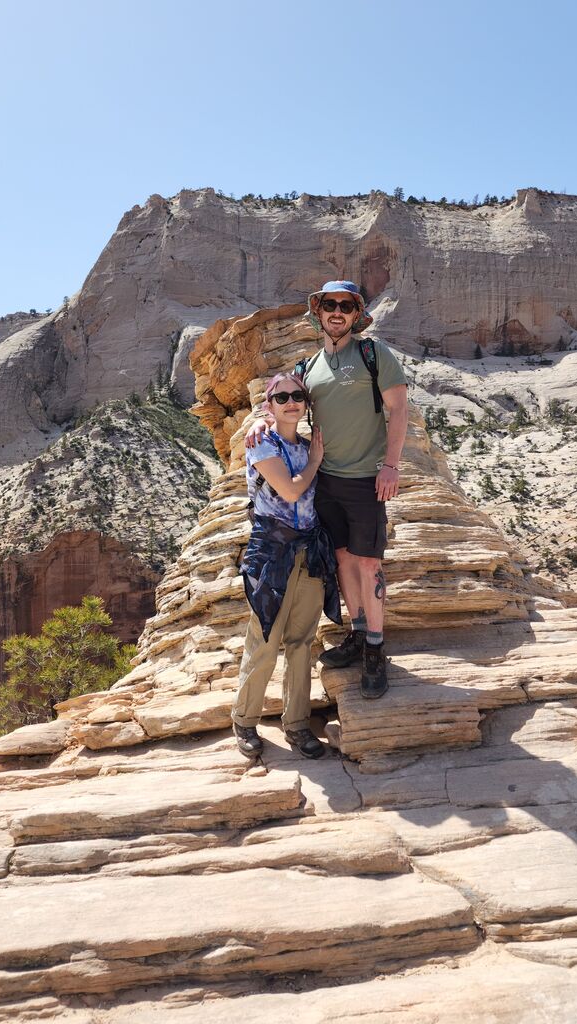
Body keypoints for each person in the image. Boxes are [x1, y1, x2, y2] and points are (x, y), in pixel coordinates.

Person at [246, 281, 408, 699]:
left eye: (346, 306)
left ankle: (375, 648)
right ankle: (357, 634)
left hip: (366, 479)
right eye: (330, 305)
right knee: (342, 560)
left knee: (369, 564)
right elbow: (284, 399)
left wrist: (390, 466)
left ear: (356, 315)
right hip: (326, 482)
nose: (337, 312)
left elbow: (399, 410)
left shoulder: (374, 355)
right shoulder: (308, 368)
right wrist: (262, 422)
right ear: (317, 313)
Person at [232, 372, 341, 760]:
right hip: (271, 552)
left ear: (306, 404)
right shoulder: (263, 442)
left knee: (301, 643)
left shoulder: (307, 444)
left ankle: (296, 725)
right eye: (282, 398)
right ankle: (244, 721)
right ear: (269, 406)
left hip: (309, 551)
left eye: (298, 396)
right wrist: (314, 461)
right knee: (264, 639)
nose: (291, 401)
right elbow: (292, 490)